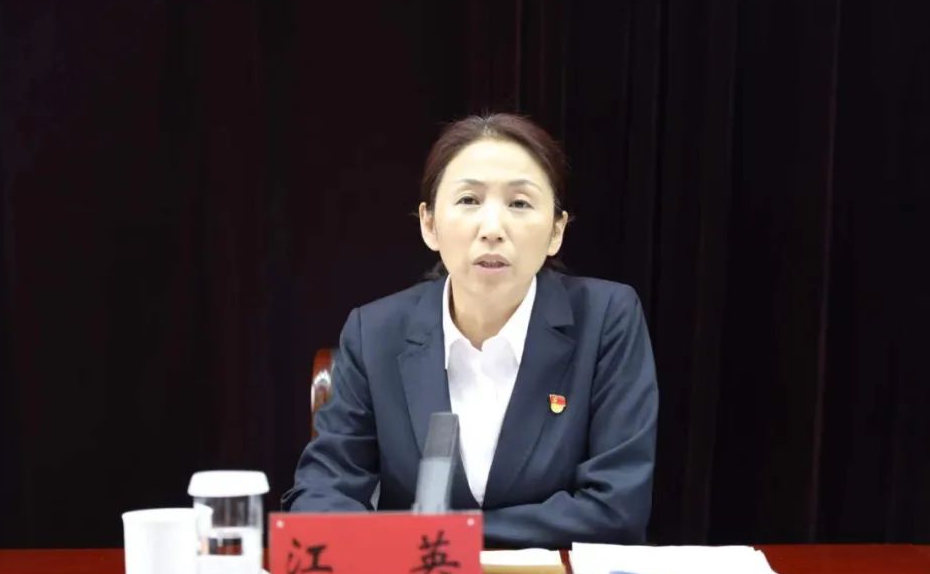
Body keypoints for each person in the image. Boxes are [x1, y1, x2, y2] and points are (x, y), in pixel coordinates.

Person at [282, 114, 658, 549]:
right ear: (428, 224)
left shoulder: (606, 318)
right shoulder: (377, 332)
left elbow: (617, 509)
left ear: (556, 230)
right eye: (468, 200)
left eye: (520, 203)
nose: (492, 229)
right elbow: (321, 494)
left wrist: (441, 538)